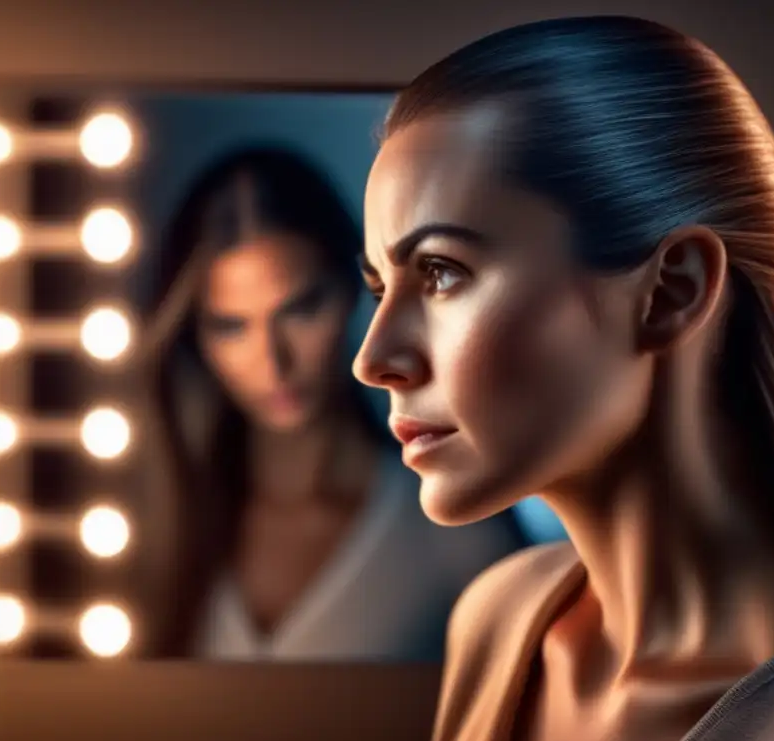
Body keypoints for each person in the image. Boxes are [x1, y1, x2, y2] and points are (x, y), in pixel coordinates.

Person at [353, 16, 774, 741]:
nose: (375, 358)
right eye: (378, 287)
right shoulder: (497, 620)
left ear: (672, 291)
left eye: (439, 272)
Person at [138, 145, 525, 661]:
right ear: (196, 336)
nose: (273, 362)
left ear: (354, 287)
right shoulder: (153, 529)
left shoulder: (456, 536)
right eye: (231, 326)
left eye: (301, 308)